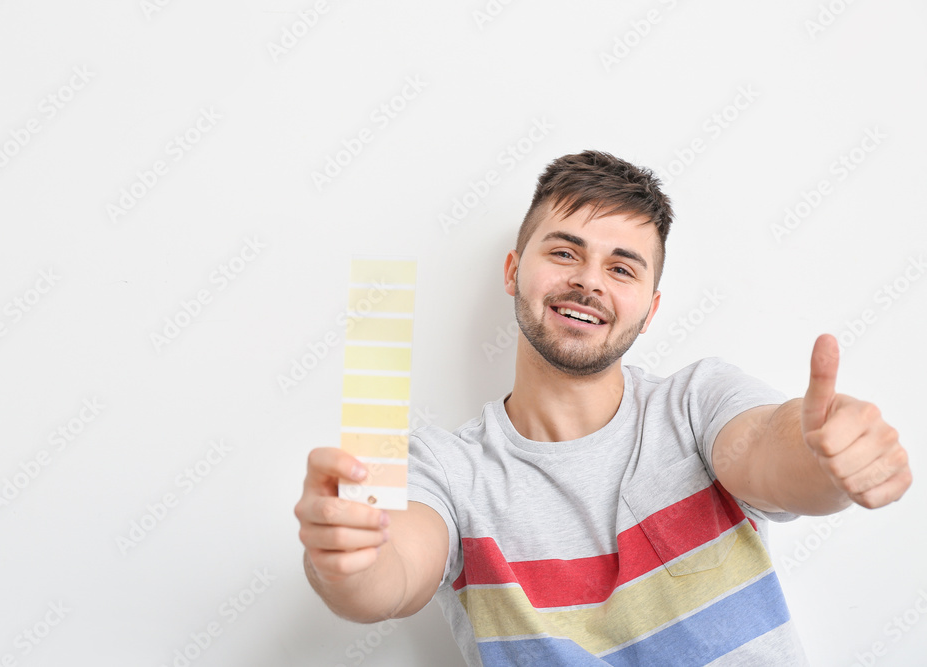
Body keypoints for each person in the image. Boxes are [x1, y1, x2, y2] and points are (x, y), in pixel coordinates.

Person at [294, 150, 912, 665]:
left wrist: (826, 455)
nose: (589, 282)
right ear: (514, 271)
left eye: (622, 267)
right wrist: (348, 561)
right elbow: (389, 576)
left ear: (650, 308)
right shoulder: (448, 470)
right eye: (564, 252)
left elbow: (771, 455)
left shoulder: (696, 404)